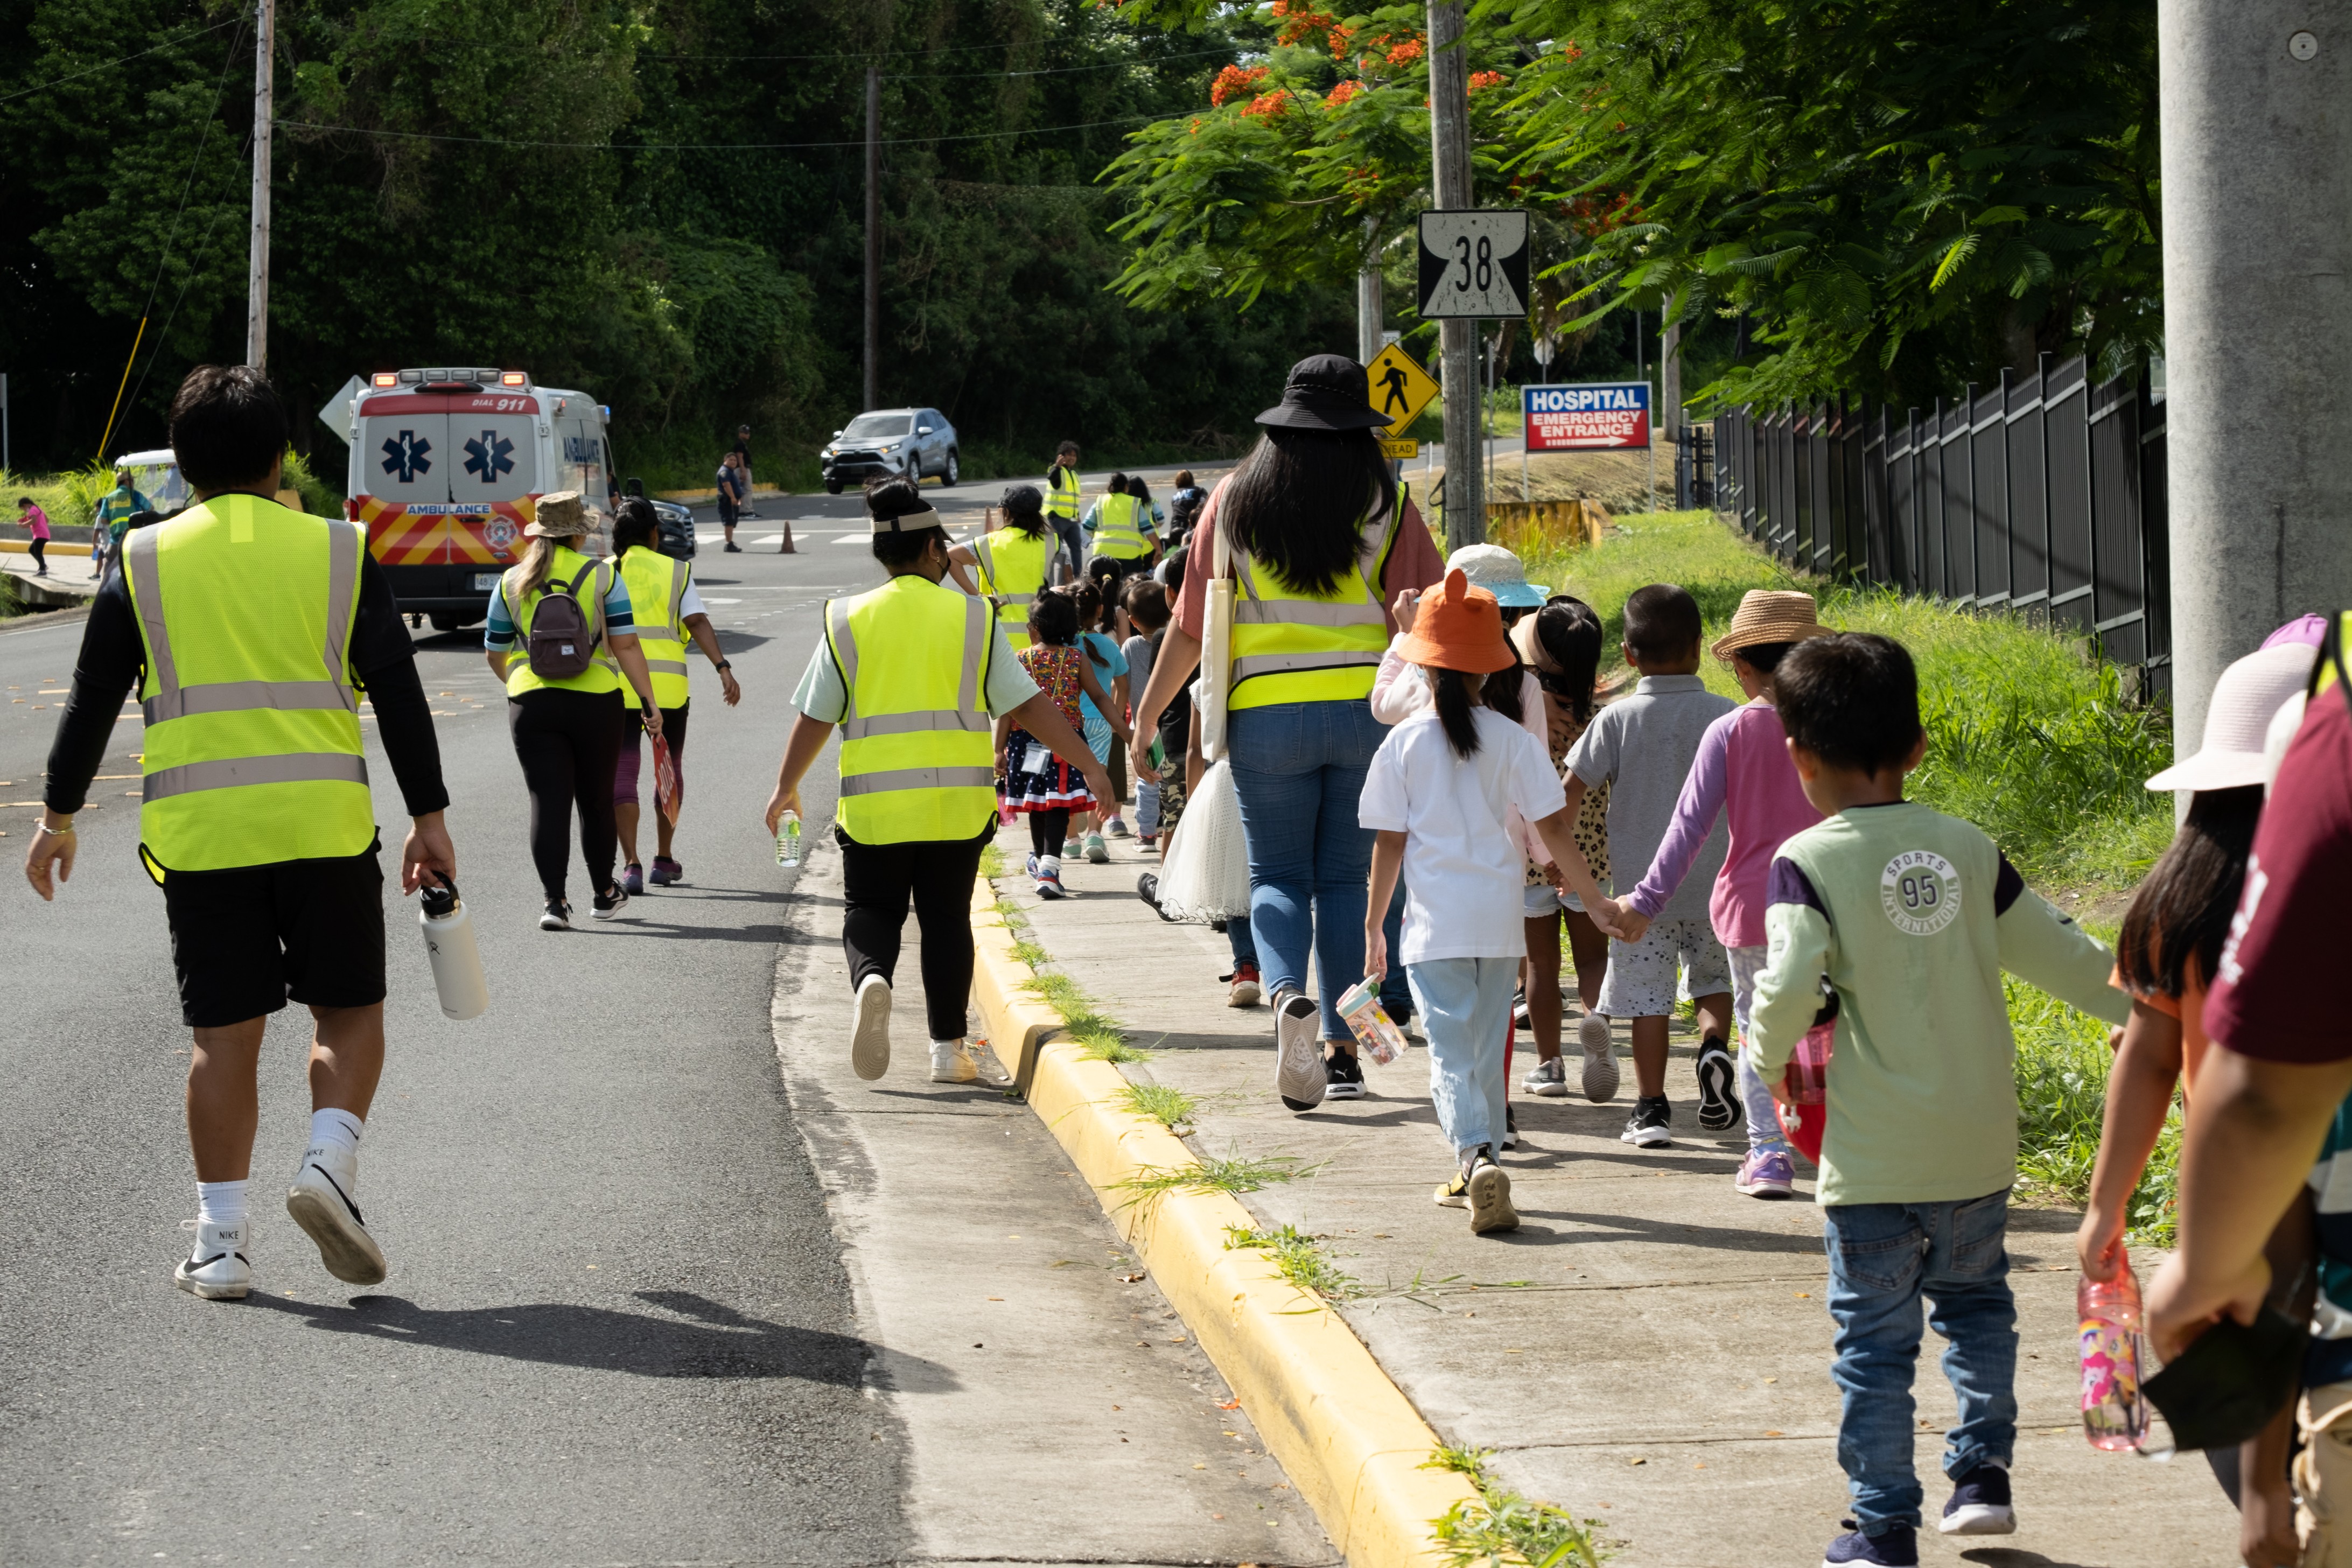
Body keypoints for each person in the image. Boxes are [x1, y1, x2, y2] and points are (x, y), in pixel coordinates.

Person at [23, 363, 456, 1301]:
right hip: (325, 827)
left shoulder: (139, 560)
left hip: (202, 837)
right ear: (280, 455)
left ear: (180, 462)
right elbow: (400, 693)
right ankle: (328, 1165)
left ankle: (220, 1245)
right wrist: (429, 817)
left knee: (224, 1035)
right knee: (346, 1012)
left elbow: (92, 703)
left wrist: (57, 818)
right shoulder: (339, 550)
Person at [1742, 632, 2129, 1568]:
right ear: (1916, 746)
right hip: (1973, 1149)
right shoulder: (1965, 848)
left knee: (1874, 1347)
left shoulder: (1804, 861)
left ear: (1796, 757)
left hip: (1870, 1160)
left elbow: (1790, 985)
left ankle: (1881, 1529)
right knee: (1976, 1309)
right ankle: (1981, 1479)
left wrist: (1760, 1051)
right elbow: (2061, 954)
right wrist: (2142, 1010)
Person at [1130, 353, 1446, 1113]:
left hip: (1266, 715)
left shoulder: (1234, 502)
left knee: (1275, 877)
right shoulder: (1390, 504)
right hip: (1368, 716)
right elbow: (1431, 615)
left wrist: (1145, 717)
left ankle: (1285, 1001)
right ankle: (1343, 1052)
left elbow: (1189, 624)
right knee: (1345, 882)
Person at [2069, 641, 2311, 1555]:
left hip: (2235, 1219)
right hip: (2294, 1211)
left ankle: (2274, 1516)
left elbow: (2145, 1056)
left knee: (2257, 1450)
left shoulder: (2182, 900)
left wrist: (2105, 1203)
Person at [764, 477, 1114, 1082]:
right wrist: (1090, 765)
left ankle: (872, 976)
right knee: (947, 920)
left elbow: (815, 716)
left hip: (876, 810)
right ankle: (947, 1051)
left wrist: (786, 787)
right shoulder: (974, 618)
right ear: (932, 552)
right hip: (955, 806)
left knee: (871, 909)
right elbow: (1029, 706)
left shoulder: (846, 619)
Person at [1360, 569, 1597, 1233]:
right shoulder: (1517, 741)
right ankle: (1485, 1154)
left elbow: (1388, 845)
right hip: (1501, 923)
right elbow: (1552, 828)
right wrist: (1594, 899)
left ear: (1424, 667)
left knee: (1450, 1052)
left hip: (1435, 926)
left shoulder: (1403, 742)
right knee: (1490, 1043)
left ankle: (1474, 1156)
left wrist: (1374, 926)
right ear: (1488, 667)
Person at [1601, 589, 1829, 1199]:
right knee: (1834, 1027)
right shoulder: (1835, 726)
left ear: (1740, 665)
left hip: (1755, 907)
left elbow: (1689, 828)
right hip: (1833, 903)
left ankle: (1769, 1155)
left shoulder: (1729, 729)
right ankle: (1845, 1149)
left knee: (1759, 1029)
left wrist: (1644, 901)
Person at [1562, 583, 1739, 1149]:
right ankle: (1714, 1047)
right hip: (1716, 885)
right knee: (1714, 981)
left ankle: (1652, 1107)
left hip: (1640, 898)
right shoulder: (1727, 715)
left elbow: (1568, 793)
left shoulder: (1617, 719)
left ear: (1630, 654)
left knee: (1646, 1001)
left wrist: (1560, 857)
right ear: (1698, 646)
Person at [484, 489, 664, 930]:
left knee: (547, 801)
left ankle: (554, 903)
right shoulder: (603, 578)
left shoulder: (511, 581)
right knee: (597, 800)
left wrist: (521, 685)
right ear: (579, 535)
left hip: (532, 702)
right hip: (596, 701)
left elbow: (494, 651)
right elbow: (625, 644)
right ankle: (604, 893)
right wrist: (648, 702)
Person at [1508, 597, 1615, 1103]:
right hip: (1588, 857)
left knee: (1541, 966)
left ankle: (1550, 1066)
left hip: (1531, 857)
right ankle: (1598, 1029)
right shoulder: (1600, 714)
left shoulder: (1520, 706)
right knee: (1593, 960)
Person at [608, 497, 741, 893]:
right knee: (667, 768)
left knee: (623, 773)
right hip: (667, 689)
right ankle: (663, 859)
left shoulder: (603, 572)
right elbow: (696, 621)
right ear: (654, 533)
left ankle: (630, 864)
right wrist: (723, 668)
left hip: (616, 688)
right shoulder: (676, 571)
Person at [1000, 589, 1128, 899]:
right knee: (1058, 804)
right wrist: (1125, 731)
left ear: (1034, 628)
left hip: (1024, 742)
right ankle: (1049, 867)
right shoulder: (1076, 658)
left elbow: (1008, 706)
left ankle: (1040, 861)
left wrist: (997, 748)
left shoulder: (1020, 659)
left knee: (1036, 804)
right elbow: (1100, 696)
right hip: (1068, 744)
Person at [952, 484, 1053, 650]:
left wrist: (978, 596)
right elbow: (1067, 582)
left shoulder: (989, 542)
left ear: (1006, 512)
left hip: (1002, 636)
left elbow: (951, 557)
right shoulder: (1053, 542)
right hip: (1044, 634)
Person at [1122, 579, 1168, 848]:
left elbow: (1123, 682)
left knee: (1147, 781)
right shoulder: (1176, 643)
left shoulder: (1130, 647)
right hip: (1172, 722)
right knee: (1171, 780)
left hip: (1144, 727)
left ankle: (1147, 833)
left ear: (1132, 620)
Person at [1082, 473, 1156, 575]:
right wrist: (1159, 550)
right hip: (1130, 556)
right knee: (1130, 587)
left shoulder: (1100, 502)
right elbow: (1148, 530)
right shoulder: (1134, 503)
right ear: (1126, 487)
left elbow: (1086, 528)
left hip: (1103, 554)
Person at [1046, 440, 1084, 583]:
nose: (1072, 458)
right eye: (1069, 455)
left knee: (1076, 549)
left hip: (1072, 520)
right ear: (1061, 456)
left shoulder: (1074, 474)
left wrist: (1077, 514)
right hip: (1057, 518)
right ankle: (1056, 580)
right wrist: (1057, 466)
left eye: (1074, 456)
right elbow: (1051, 479)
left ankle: (1079, 578)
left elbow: (1072, 498)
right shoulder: (1057, 470)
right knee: (1057, 552)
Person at [95, 466, 152, 562]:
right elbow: (150, 509)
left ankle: (103, 577)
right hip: (134, 540)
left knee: (108, 564)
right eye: (132, 481)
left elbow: (103, 520)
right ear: (126, 481)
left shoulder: (109, 498)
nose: (134, 483)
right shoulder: (136, 495)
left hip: (116, 541)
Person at [717, 450, 746, 552]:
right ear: (725, 460)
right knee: (729, 522)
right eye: (731, 460)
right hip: (727, 501)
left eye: (735, 460)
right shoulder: (724, 471)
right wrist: (733, 497)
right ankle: (729, 544)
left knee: (732, 522)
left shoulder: (730, 472)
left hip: (732, 500)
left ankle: (730, 543)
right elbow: (726, 485)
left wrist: (739, 497)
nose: (733, 462)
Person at [18, 495, 52, 574]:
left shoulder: (32, 510)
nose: (24, 510)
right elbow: (47, 520)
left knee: (38, 552)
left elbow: (33, 521)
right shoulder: (38, 509)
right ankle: (43, 565)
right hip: (44, 534)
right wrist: (27, 524)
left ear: (25, 505)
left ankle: (43, 570)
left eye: (23, 509)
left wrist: (23, 524)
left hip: (40, 534)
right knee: (32, 550)